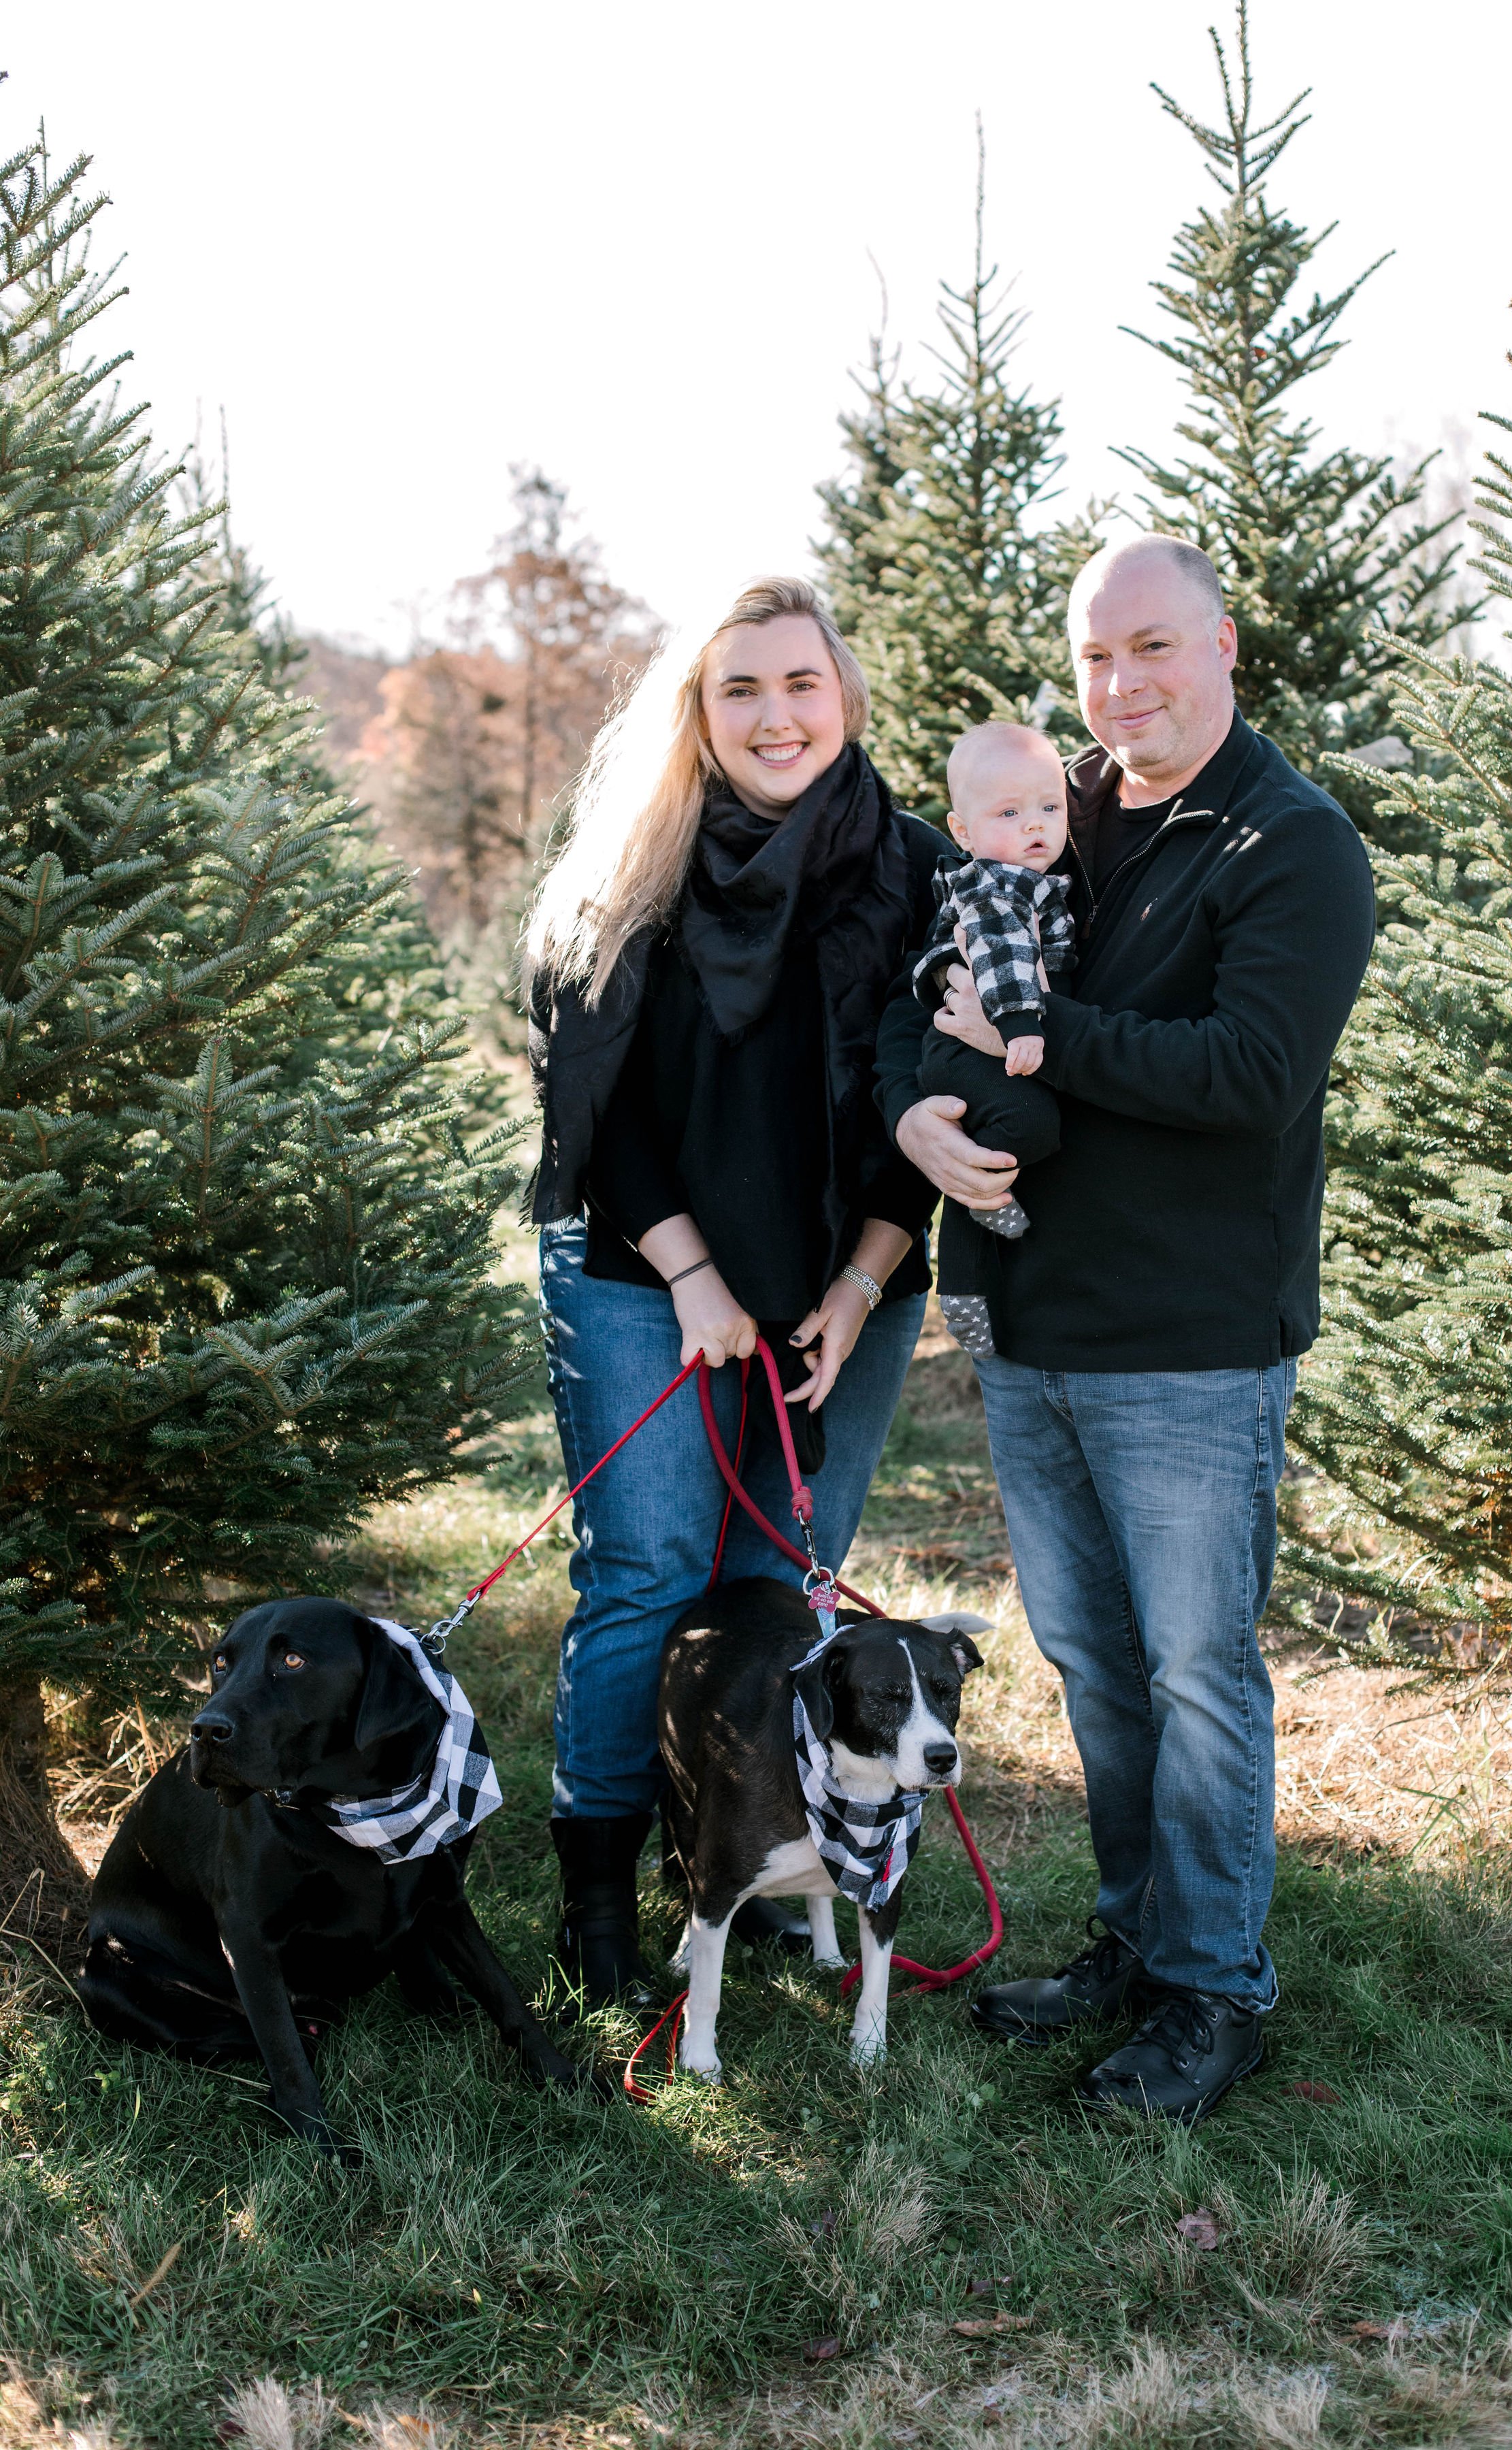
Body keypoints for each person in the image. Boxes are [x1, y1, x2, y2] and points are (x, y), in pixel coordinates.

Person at [876, 534, 1375, 2124]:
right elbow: (925, 982)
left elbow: (1240, 1076)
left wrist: (1031, 1038)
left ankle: (1211, 1990)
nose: (1120, 687)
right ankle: (1132, 1942)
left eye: (1149, 648)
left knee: (1196, 1672)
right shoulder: (1054, 808)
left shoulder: (1288, 846)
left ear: (1220, 645)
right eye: (1095, 658)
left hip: (1185, 1346)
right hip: (1025, 1326)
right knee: (1095, 1665)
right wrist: (913, 1116)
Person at [525, 576, 946, 2006]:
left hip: (844, 1286)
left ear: (848, 697)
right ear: (697, 716)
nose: (777, 715)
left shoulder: (922, 874)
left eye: (801, 684)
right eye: (741, 689)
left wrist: (861, 1285)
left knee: (780, 1586)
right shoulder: (627, 875)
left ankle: (761, 1849)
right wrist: (699, 1281)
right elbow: (606, 1118)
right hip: (648, 1274)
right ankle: (598, 1901)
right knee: (649, 1575)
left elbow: (929, 1106)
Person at [909, 722, 1074, 1311]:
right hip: (970, 1043)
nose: (1034, 824)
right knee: (1025, 1130)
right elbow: (1002, 955)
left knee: (994, 1150)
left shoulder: (1032, 878)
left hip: (986, 1039)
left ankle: (962, 1283)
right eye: (1009, 813)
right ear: (963, 830)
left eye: (1049, 807)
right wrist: (1024, 1024)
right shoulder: (995, 885)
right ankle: (963, 1268)